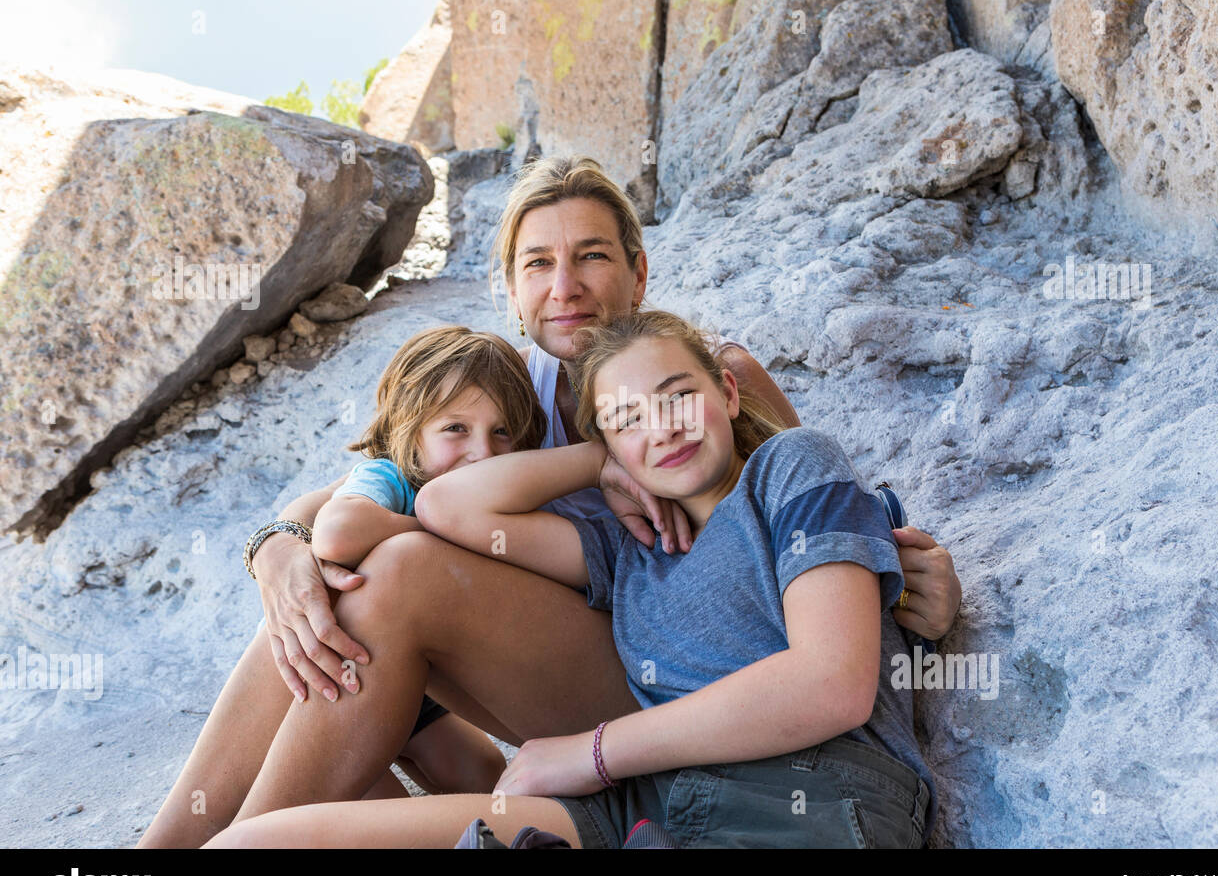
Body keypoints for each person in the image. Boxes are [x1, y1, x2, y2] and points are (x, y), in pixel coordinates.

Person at [139, 155, 960, 847]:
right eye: (538, 263)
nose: (566, 287)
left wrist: (914, 573)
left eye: (594, 256)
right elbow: (378, 487)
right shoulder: (510, 395)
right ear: (511, 287)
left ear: (639, 272)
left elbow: (814, 520)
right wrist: (279, 549)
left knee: (394, 575)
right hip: (611, 659)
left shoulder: (714, 385)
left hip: (674, 686)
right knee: (335, 593)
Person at [203, 309, 934, 847]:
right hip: (634, 807)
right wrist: (595, 464)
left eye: (679, 395)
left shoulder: (790, 468)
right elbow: (445, 504)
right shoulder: (626, 545)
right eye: (626, 418)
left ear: (729, 395)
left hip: (803, 800)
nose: (663, 428)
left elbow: (832, 682)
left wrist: (587, 752)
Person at [310, 324, 548, 796]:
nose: (482, 452)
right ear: (409, 432)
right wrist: (449, 530)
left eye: (502, 432)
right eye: (455, 428)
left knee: (481, 777)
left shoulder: (506, 494)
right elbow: (336, 533)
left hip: (420, 676)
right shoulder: (389, 478)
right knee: (357, 798)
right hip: (335, 667)